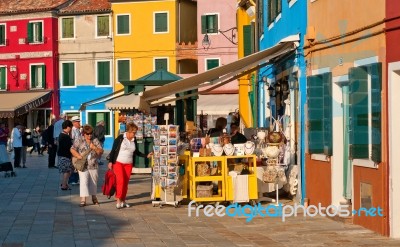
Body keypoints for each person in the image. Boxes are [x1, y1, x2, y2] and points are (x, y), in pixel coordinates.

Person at [107, 122, 153, 209]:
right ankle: (118, 200)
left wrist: (146, 155)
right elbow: (113, 150)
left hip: (129, 164)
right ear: (129, 131)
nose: (134, 134)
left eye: (135, 132)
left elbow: (136, 152)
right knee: (120, 181)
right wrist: (110, 162)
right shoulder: (120, 138)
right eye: (133, 132)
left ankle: (123, 200)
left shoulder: (133, 140)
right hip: (118, 162)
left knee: (125, 183)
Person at [70, 124, 103, 207]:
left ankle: (94, 197)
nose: (90, 135)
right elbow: (72, 149)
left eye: (91, 133)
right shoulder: (79, 140)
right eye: (88, 134)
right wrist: (78, 156)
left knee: (93, 182)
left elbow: (101, 151)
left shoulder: (95, 140)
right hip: (83, 165)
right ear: (84, 133)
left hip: (93, 164)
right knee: (83, 181)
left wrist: (94, 148)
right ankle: (83, 199)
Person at [57, 120, 73, 190]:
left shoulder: (61, 134)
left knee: (66, 171)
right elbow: (69, 147)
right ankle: (64, 185)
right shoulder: (65, 136)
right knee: (67, 171)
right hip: (65, 155)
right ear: (68, 127)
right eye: (70, 127)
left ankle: (64, 183)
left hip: (62, 155)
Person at [69, 116, 81, 185]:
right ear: (74, 123)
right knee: (74, 165)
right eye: (78, 122)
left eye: (79, 121)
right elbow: (72, 140)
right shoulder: (72, 130)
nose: (79, 123)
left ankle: (76, 179)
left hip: (78, 149)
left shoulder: (78, 130)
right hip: (74, 150)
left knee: (77, 165)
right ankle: (72, 180)